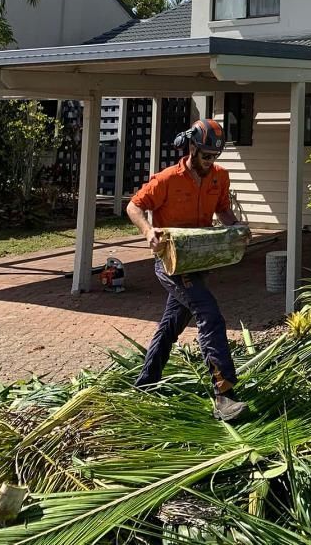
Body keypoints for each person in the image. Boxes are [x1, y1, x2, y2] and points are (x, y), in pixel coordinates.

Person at [126, 117, 251, 422]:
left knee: (171, 325)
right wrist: (147, 232)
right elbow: (134, 206)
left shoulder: (220, 177)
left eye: (215, 156)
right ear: (193, 147)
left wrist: (237, 228)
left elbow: (222, 209)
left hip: (200, 261)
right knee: (208, 312)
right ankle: (224, 393)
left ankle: (145, 383)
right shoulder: (167, 179)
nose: (210, 161)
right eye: (206, 155)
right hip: (170, 261)